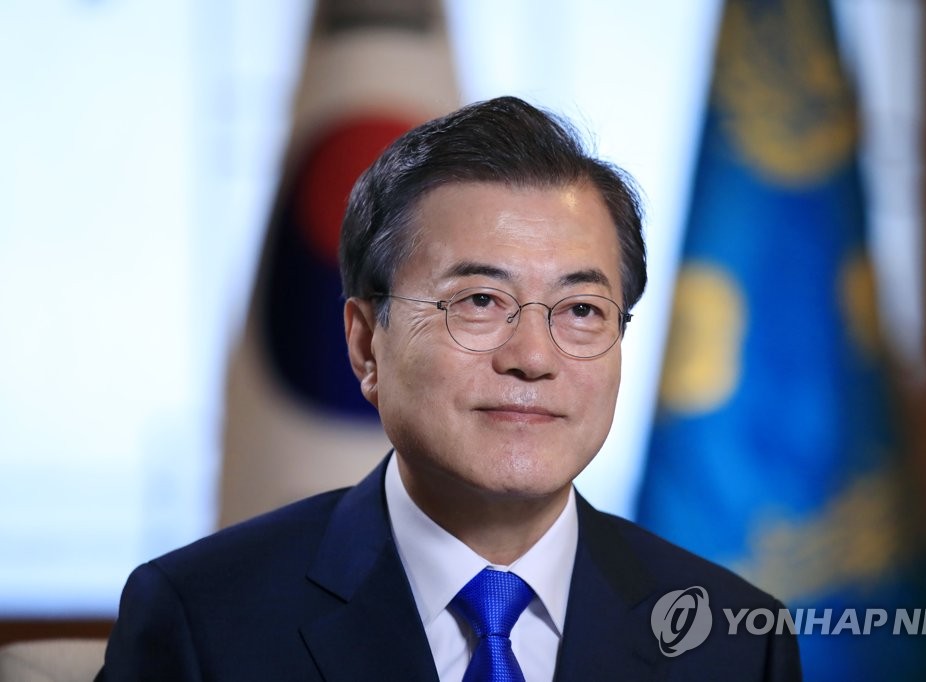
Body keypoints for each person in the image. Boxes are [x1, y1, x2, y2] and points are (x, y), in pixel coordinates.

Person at [98, 96, 800, 681]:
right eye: (479, 301)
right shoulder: (204, 622)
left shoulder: (736, 642)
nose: (532, 358)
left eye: (582, 310)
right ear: (366, 344)